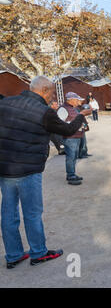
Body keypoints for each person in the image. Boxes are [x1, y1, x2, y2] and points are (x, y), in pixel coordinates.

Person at [0, 76, 91, 269]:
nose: (52, 98)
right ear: (44, 91)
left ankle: (13, 255)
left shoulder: (5, 103)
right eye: (50, 93)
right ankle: (38, 252)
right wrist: (82, 115)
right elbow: (67, 130)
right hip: (29, 169)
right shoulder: (44, 112)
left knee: (9, 214)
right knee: (32, 213)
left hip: (6, 168)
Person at [57, 93, 89, 185]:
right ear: (70, 99)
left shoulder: (73, 108)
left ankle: (72, 174)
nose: (78, 101)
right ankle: (70, 175)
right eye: (77, 99)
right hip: (70, 137)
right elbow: (59, 123)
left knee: (74, 156)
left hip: (76, 135)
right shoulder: (63, 109)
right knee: (71, 157)